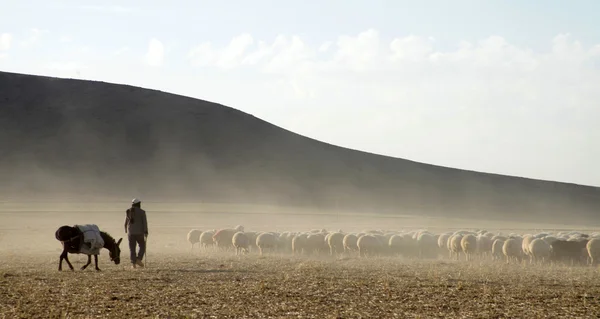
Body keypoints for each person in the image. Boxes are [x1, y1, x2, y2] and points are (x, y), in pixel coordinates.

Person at [125, 198, 148, 268]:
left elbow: (125, 223)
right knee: (142, 246)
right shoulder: (142, 212)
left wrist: (126, 230)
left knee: (132, 248)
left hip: (131, 233)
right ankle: (139, 259)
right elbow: (144, 222)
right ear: (138, 204)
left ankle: (133, 264)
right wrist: (146, 231)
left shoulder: (128, 211)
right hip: (140, 233)